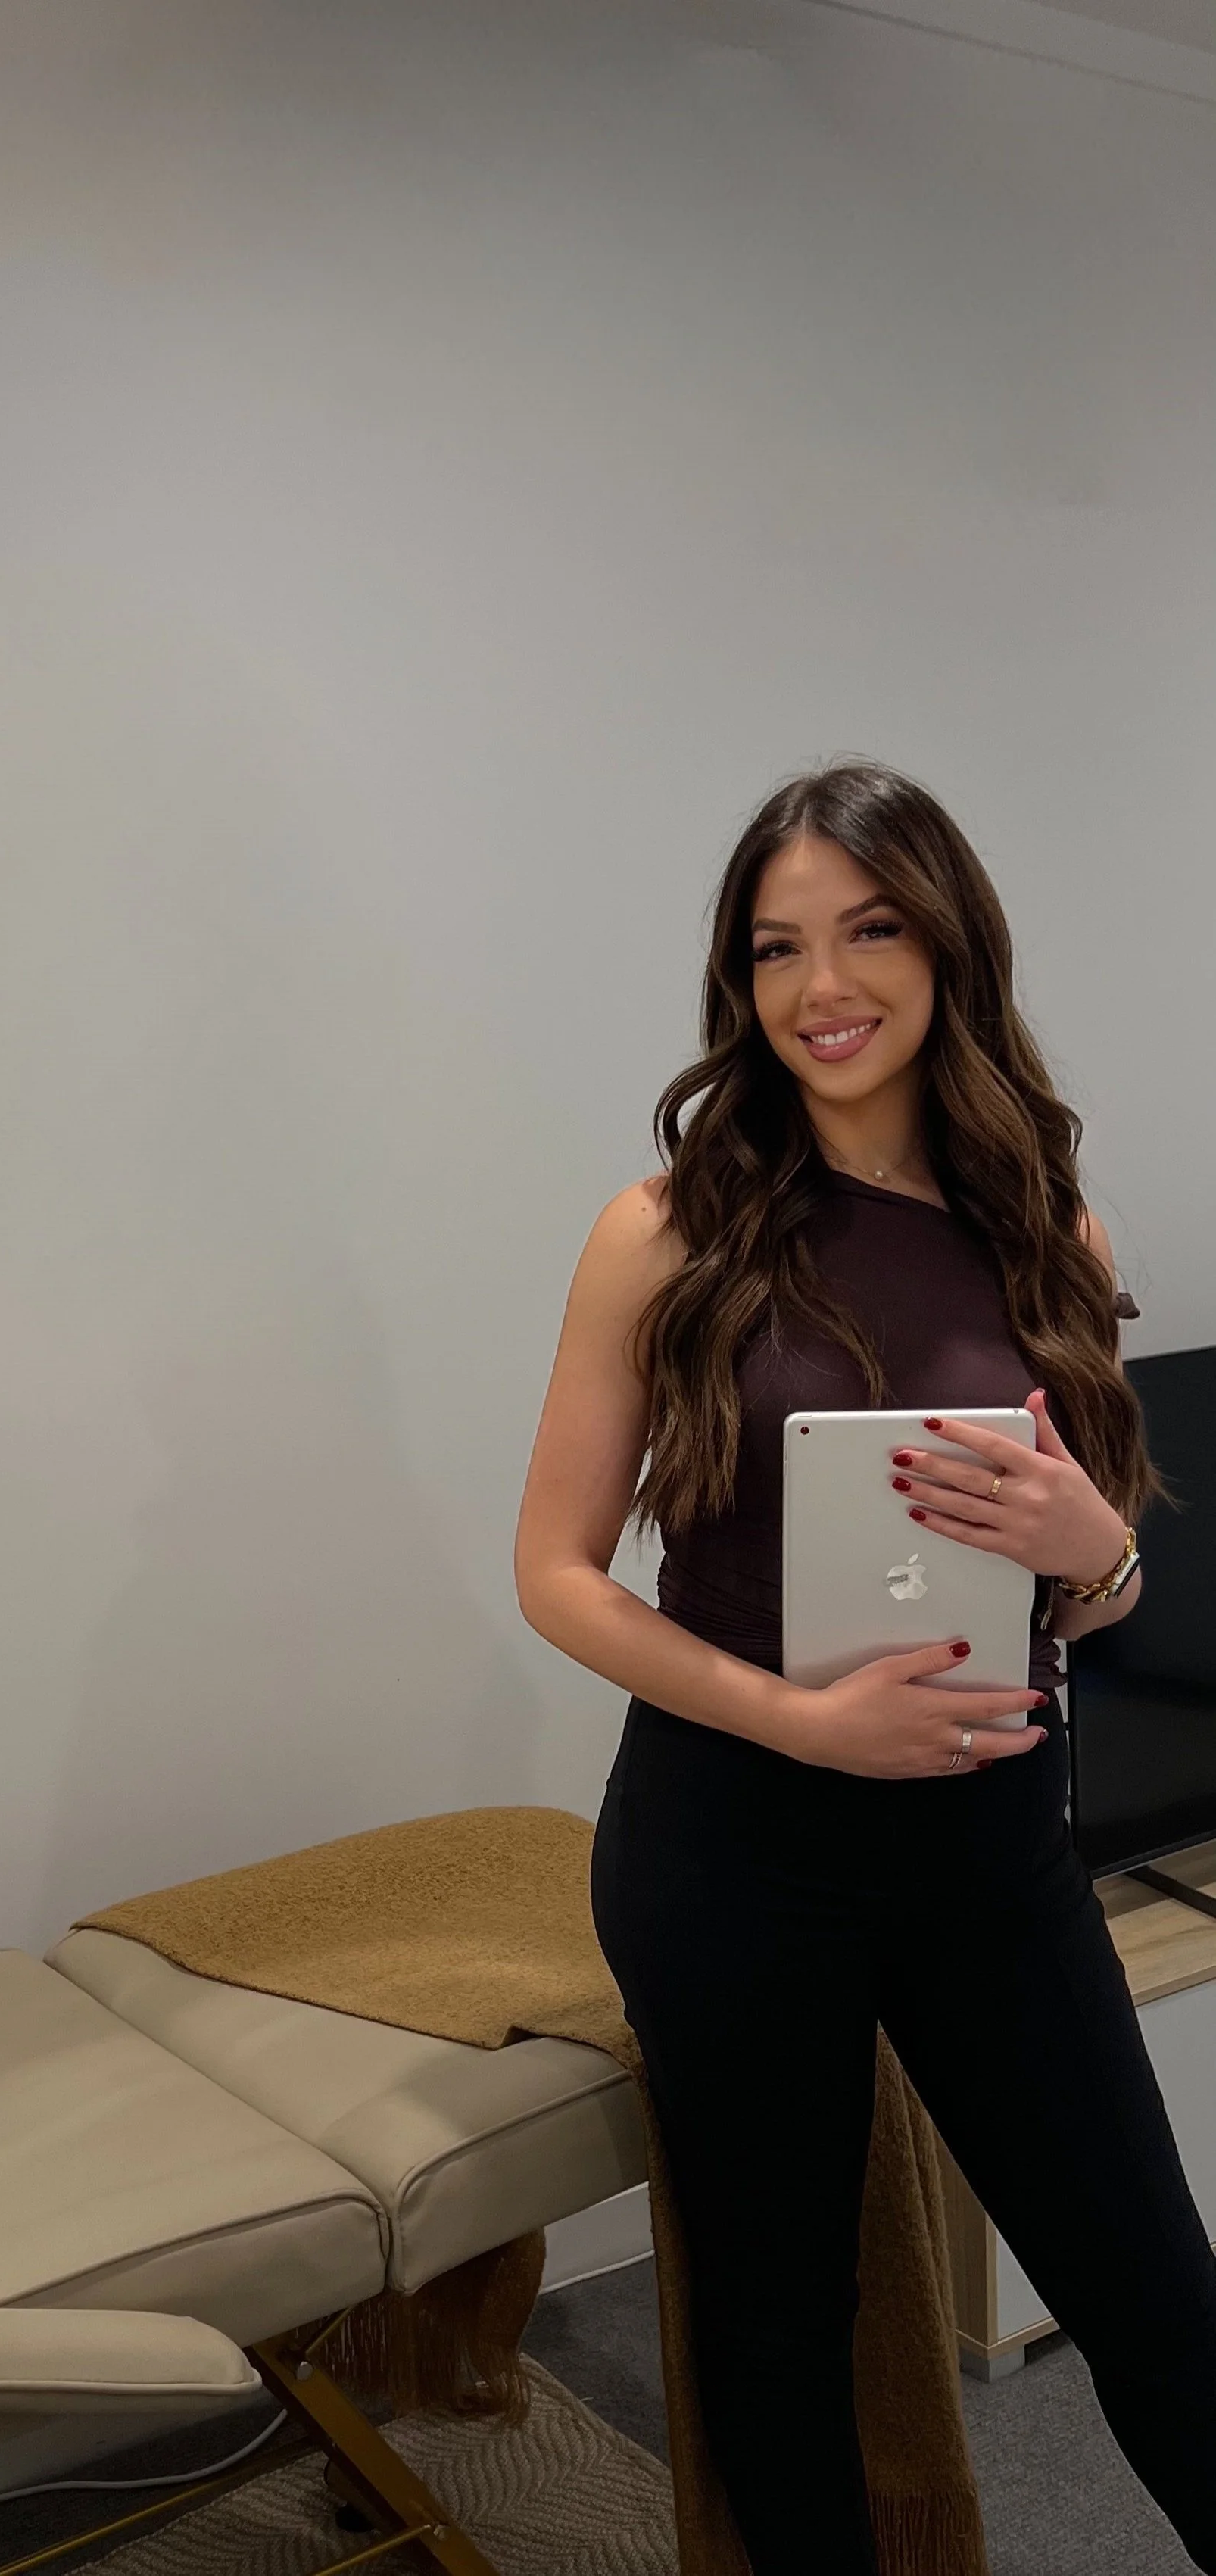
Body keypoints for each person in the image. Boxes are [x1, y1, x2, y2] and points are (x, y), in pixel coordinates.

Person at [513, 763, 1216, 2576]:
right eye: (777, 947)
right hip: (733, 1852)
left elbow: (1096, 1598)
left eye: (870, 930)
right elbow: (556, 1576)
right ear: (739, 981)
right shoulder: (664, 1232)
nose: (822, 985)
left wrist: (1099, 1549)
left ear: (948, 946)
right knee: (778, 2335)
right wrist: (801, 1722)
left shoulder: (1052, 1235)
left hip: (994, 1853)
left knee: (1164, 2309)